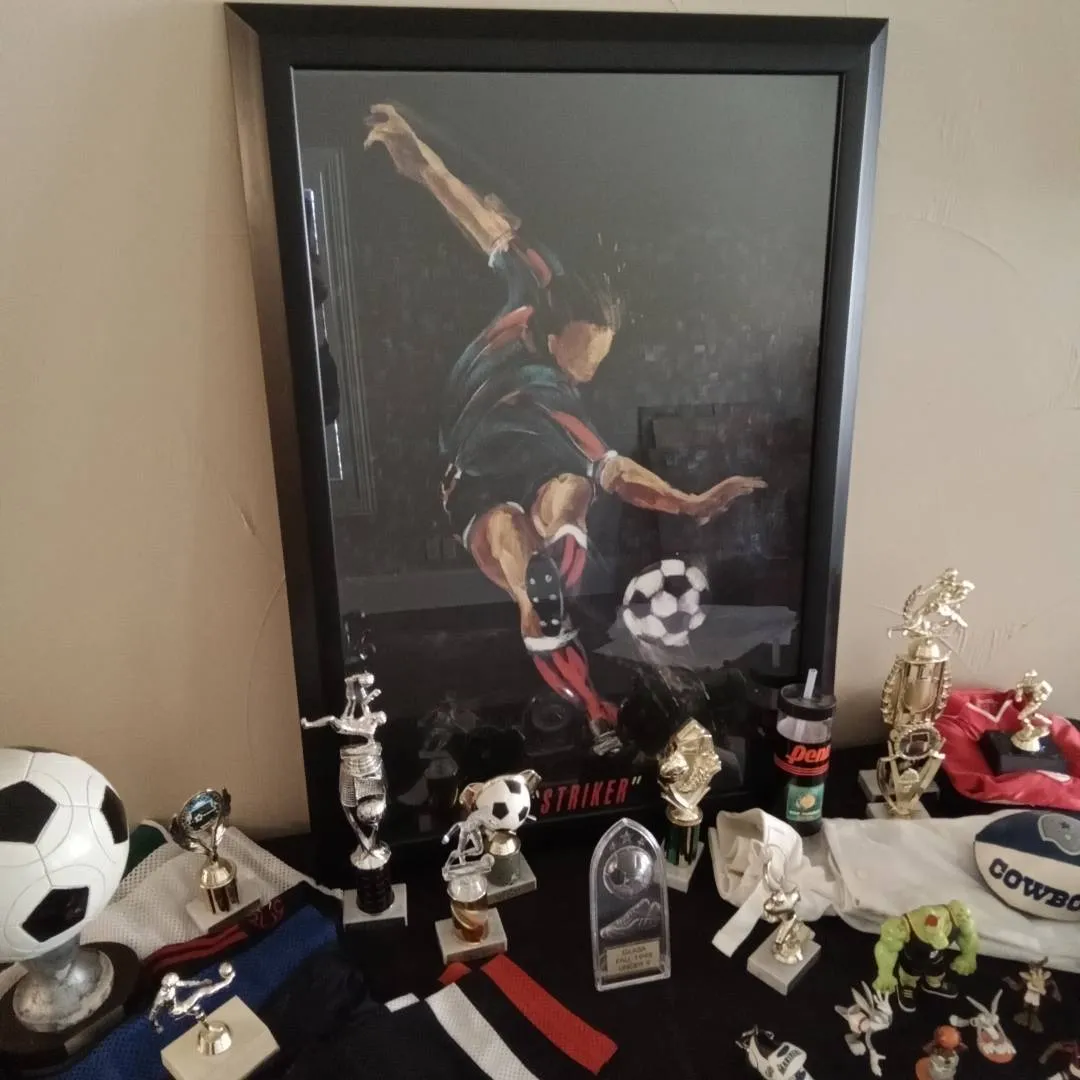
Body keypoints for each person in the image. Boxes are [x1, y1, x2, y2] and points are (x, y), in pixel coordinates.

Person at [364, 104, 766, 753]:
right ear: (552, 339)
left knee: (564, 489)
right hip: (473, 472)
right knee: (514, 529)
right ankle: (552, 611)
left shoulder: (541, 280)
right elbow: (619, 471)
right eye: (585, 356)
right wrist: (689, 504)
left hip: (532, 461)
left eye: (601, 356)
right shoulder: (547, 389)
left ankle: (554, 578)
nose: (590, 370)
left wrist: (423, 162)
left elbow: (479, 217)